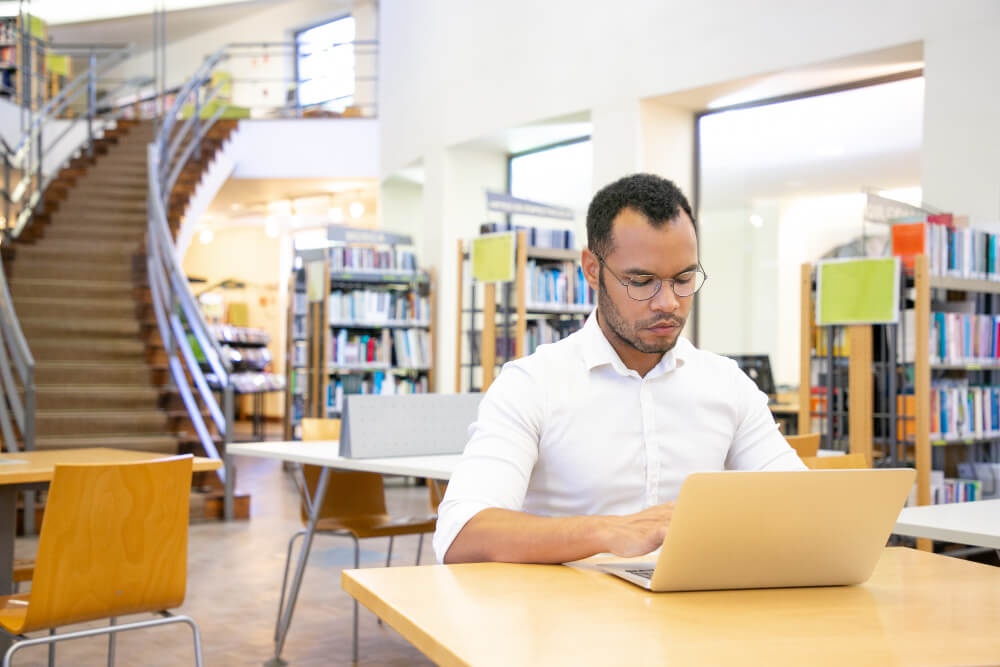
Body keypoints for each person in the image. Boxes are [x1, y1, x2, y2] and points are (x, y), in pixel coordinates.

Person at [433, 173, 805, 565]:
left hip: (698, 614)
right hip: (569, 615)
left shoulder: (726, 384)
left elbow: (800, 502)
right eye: (641, 281)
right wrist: (607, 531)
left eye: (683, 279)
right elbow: (462, 534)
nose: (668, 303)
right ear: (592, 270)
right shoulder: (532, 384)